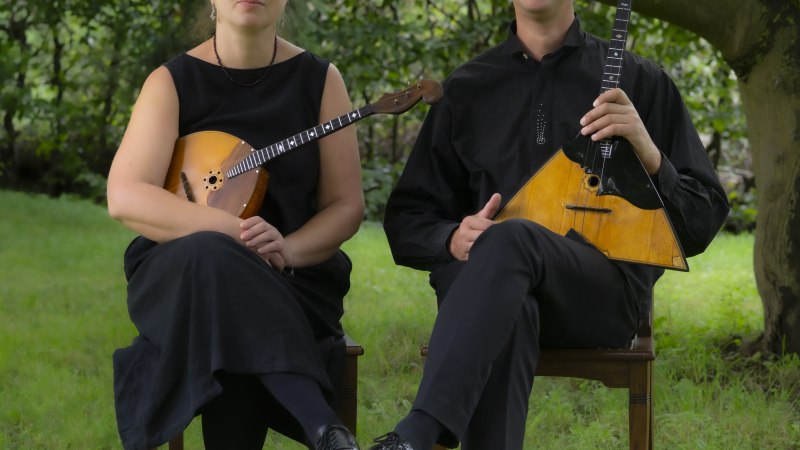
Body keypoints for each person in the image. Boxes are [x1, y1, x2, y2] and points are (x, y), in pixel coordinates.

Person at [370, 0, 730, 449]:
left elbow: (703, 220)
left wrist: (648, 151)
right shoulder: (466, 89)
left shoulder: (641, 81)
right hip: (484, 295)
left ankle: (419, 431)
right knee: (510, 302)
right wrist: (451, 237)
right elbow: (407, 219)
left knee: (511, 237)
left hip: (600, 295)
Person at [106, 1, 364, 449]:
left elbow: (345, 205)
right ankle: (324, 427)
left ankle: (326, 432)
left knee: (223, 310)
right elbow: (125, 194)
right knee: (210, 257)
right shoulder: (171, 82)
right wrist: (233, 236)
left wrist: (288, 249)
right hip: (183, 273)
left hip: (293, 277)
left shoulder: (322, 81)